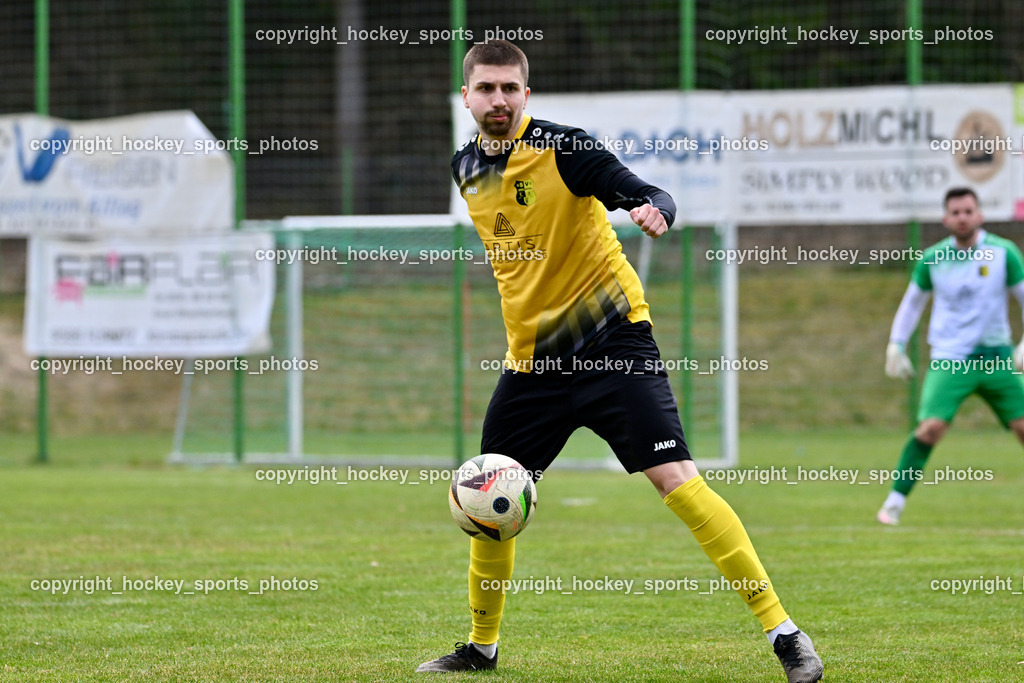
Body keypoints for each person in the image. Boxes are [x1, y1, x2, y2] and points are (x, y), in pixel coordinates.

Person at [417, 40, 823, 683]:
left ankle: (788, 637)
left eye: (510, 89)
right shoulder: (465, 168)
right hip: (533, 365)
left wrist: (654, 207)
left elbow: (641, 187)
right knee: (488, 495)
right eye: (486, 89)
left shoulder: (565, 148)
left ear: (528, 95)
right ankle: (481, 648)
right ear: (466, 97)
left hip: (613, 345)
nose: (499, 100)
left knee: (678, 483)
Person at [879, 186, 1024, 525]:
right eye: (955, 212)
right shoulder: (933, 258)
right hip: (950, 359)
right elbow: (913, 303)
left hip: (997, 359)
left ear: (980, 215)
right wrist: (896, 343)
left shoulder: (1004, 253)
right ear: (946, 218)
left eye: (968, 211)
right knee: (929, 428)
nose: (962, 218)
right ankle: (894, 502)